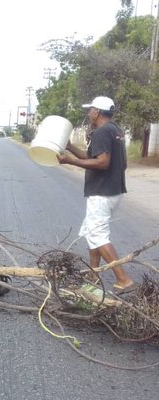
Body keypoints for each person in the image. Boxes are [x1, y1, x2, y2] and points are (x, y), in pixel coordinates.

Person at [57, 96, 136, 295]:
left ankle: (123, 279)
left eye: (90, 109)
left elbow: (101, 163)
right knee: (92, 231)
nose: (88, 113)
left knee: (98, 235)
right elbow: (95, 157)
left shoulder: (101, 132)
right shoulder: (115, 130)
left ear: (98, 112)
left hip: (102, 192)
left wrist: (70, 162)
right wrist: (70, 148)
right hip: (112, 190)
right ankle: (94, 274)